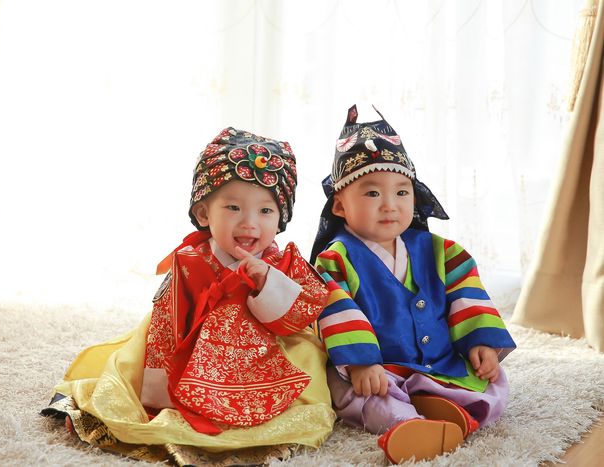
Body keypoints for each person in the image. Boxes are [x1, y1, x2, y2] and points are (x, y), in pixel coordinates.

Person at [42, 128, 335, 465]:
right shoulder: (190, 262)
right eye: (233, 207)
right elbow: (168, 323)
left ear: (281, 217)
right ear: (203, 214)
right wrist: (158, 396)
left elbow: (304, 309)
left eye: (266, 211)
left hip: (265, 348)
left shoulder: (279, 261)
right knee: (130, 371)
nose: (250, 223)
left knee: (310, 358)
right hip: (188, 348)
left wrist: (268, 282)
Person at [310, 105, 517, 464]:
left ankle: (446, 408)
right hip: (380, 370)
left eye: (402, 193)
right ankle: (406, 423)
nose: (390, 205)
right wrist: (361, 363)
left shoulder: (441, 251)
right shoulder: (337, 258)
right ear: (340, 206)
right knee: (353, 394)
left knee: (495, 385)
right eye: (372, 194)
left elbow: (466, 294)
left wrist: (479, 341)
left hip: (438, 361)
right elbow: (335, 308)